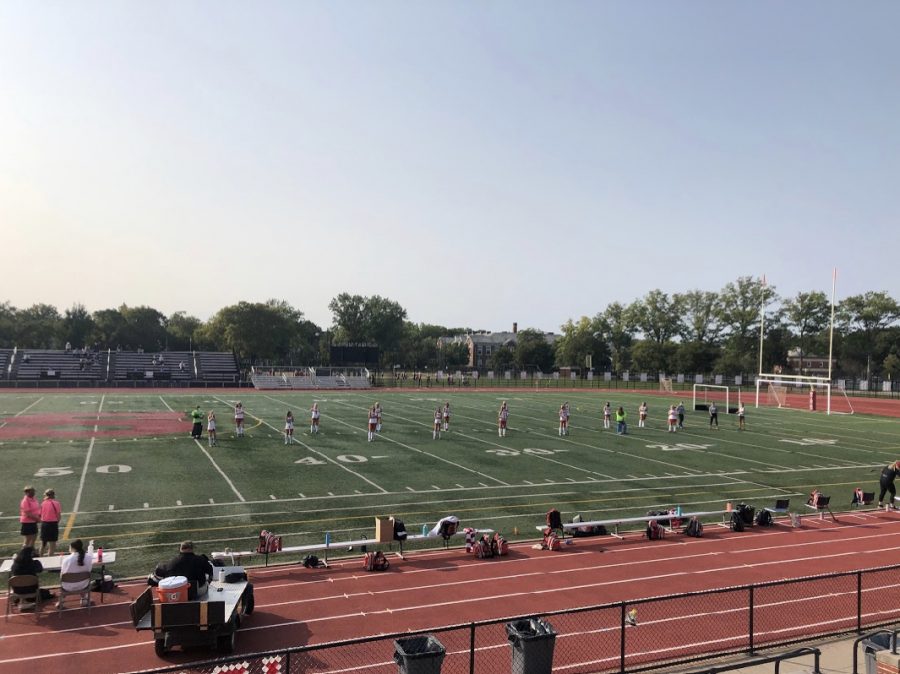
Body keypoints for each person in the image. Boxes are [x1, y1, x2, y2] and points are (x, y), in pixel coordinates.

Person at [59, 539, 93, 608]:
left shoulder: (67, 560)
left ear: (73, 548)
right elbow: (89, 570)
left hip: (68, 587)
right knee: (82, 580)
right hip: (83, 585)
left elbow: (62, 575)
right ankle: (84, 599)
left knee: (63, 581)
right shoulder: (89, 558)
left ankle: (61, 602)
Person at [39, 489, 62, 556]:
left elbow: (40, 514)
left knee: (43, 543)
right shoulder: (56, 503)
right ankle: (50, 557)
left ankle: (40, 557)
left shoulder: (43, 503)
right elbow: (58, 515)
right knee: (52, 544)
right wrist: (56, 522)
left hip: (44, 524)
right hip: (53, 524)